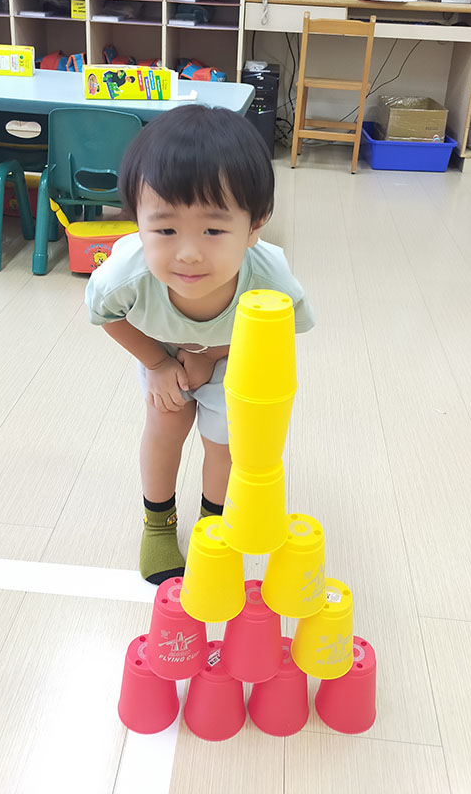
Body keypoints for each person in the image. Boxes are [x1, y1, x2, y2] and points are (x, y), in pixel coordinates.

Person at [85, 104, 314, 584]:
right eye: (165, 229)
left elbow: (275, 339)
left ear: (255, 225)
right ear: (137, 221)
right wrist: (158, 363)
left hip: (236, 356)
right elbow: (105, 316)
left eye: (213, 230)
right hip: (162, 351)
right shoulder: (126, 275)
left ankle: (214, 530)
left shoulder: (270, 281)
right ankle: (158, 525)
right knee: (165, 427)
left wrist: (210, 355)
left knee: (225, 445)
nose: (188, 253)